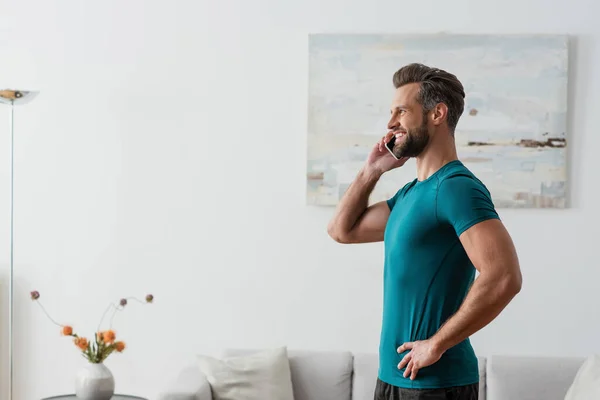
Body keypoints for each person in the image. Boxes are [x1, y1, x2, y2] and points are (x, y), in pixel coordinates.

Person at [327, 63, 522, 400]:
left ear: (437, 114)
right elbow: (342, 231)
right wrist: (372, 170)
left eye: (401, 111)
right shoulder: (410, 193)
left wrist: (437, 344)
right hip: (393, 378)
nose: (390, 123)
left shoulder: (456, 188)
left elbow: (504, 276)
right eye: (391, 113)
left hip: (435, 385)